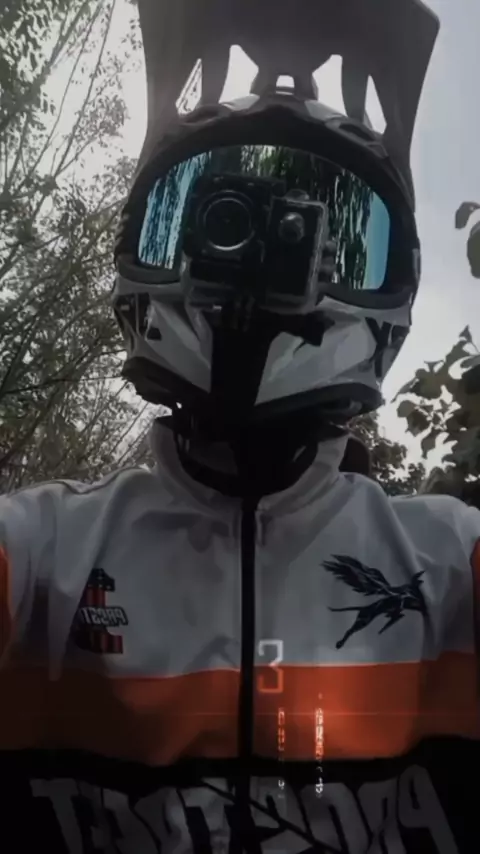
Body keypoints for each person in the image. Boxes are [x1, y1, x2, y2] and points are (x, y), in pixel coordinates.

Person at [1, 2, 480, 851]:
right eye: (221, 214)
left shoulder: (449, 566)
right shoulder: (43, 554)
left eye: (319, 234)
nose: (260, 259)